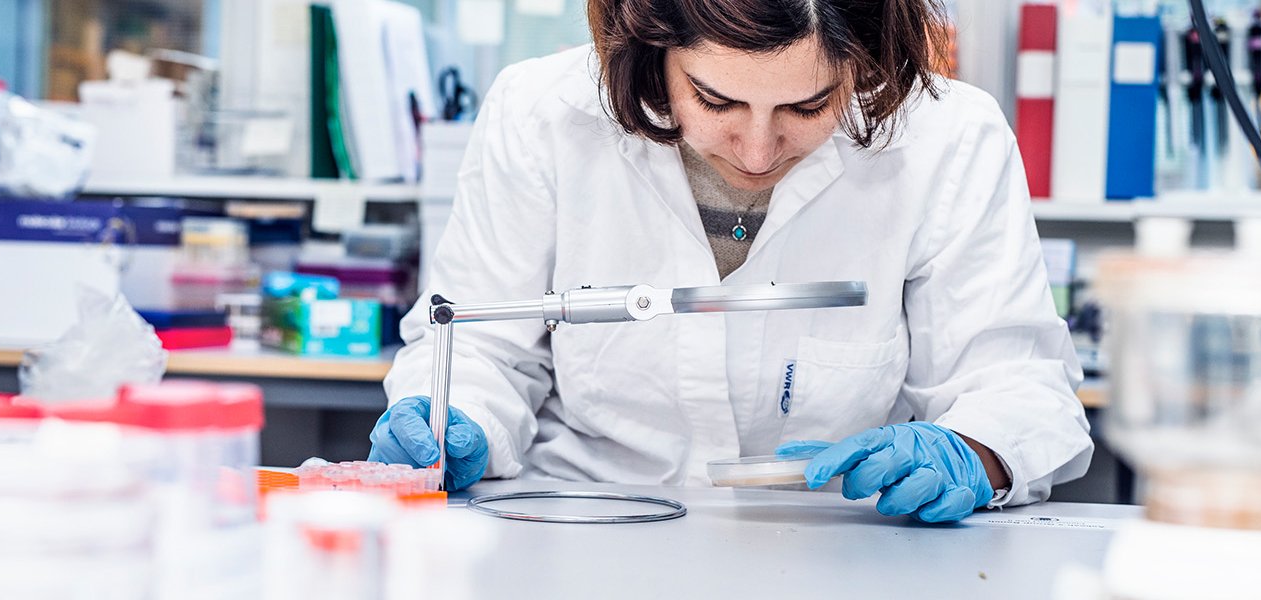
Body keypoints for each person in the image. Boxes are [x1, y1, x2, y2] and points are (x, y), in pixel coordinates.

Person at [369, 0, 1092, 522]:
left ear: (863, 62)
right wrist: (451, 415)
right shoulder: (544, 115)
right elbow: (480, 343)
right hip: (578, 530)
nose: (756, 151)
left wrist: (972, 450)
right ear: (650, 47)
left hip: (835, 554)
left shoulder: (947, 138)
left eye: (807, 107)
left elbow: (1018, 385)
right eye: (715, 99)